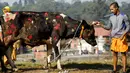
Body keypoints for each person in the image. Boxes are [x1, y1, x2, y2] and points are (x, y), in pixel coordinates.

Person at [92, 2, 130, 73]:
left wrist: (123, 35)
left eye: (112, 9)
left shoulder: (124, 16)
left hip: (122, 38)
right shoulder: (111, 17)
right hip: (114, 38)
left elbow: (128, 27)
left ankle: (124, 70)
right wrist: (100, 24)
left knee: (123, 54)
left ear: (116, 8)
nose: (111, 11)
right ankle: (114, 69)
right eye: (110, 10)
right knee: (114, 54)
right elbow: (108, 27)